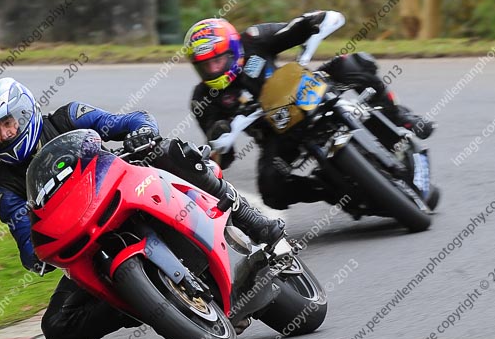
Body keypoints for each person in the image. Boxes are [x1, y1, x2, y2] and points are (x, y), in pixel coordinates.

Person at [0, 77, 282, 339]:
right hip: (87, 239)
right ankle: (149, 303)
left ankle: (250, 218)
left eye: (8, 124)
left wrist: (141, 132)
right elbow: (24, 234)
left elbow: (130, 121)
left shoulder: (68, 116)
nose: (4, 136)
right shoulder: (2, 183)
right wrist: (35, 255)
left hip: (128, 188)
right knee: (57, 326)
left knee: (165, 150)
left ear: (25, 112)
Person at [184, 12, 436, 210]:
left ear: (233, 49)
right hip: (277, 135)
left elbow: (296, 29)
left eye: (218, 60)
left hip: (307, 91)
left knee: (353, 63)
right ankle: (336, 191)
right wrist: (219, 136)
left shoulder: (253, 39)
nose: (213, 70)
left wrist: (311, 24)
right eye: (205, 66)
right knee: (271, 189)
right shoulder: (203, 97)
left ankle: (398, 116)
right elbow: (220, 157)